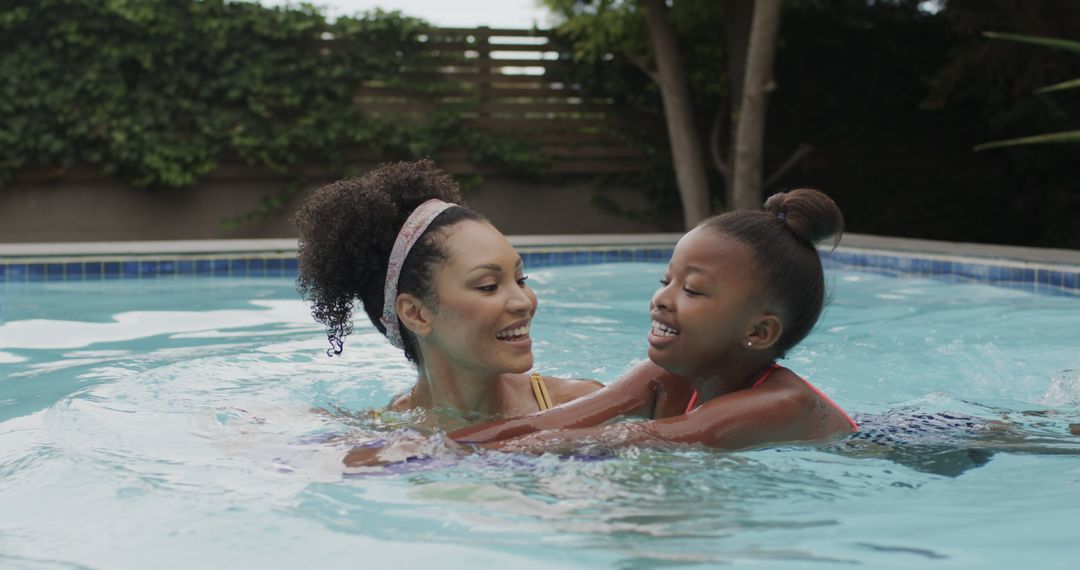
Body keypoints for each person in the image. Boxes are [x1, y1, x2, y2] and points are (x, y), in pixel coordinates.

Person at [451, 188, 858, 453]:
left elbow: (630, 438)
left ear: (758, 332)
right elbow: (544, 425)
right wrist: (425, 448)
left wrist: (437, 460)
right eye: (666, 280)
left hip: (892, 450)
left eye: (692, 290)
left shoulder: (782, 403)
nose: (662, 298)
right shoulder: (667, 374)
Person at [293, 160, 602, 440]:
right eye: (488, 286)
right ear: (416, 314)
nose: (523, 302)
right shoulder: (385, 436)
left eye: (520, 280)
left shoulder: (585, 404)